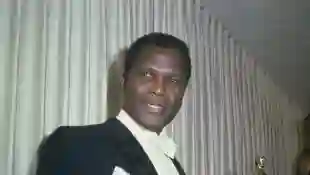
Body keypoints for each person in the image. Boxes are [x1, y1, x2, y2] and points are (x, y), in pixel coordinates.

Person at [36, 32, 192, 175]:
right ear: (124, 81)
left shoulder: (174, 167)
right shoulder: (74, 145)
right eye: (147, 74)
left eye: (173, 80)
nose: (159, 89)